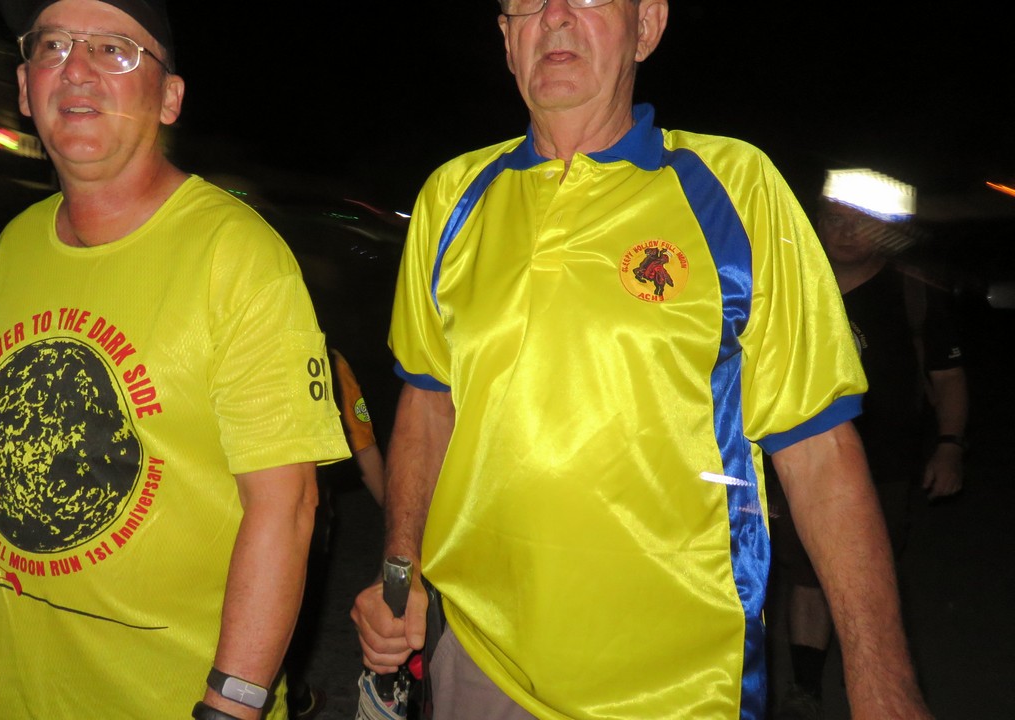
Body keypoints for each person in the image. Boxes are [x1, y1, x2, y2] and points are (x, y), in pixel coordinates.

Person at [350, 1, 932, 718]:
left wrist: (882, 685)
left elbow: (819, 451)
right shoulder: (452, 196)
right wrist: (400, 572)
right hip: (478, 660)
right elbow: (429, 400)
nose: (554, 17)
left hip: (679, 682)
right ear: (506, 38)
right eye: (529, 3)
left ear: (647, 27)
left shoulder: (735, 187)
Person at [0, 2, 350, 719]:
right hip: (3, 693)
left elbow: (287, 508)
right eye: (53, 46)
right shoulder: (14, 246)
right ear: (24, 86)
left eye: (114, 49)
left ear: (169, 98)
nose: (76, 70)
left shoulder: (236, 256)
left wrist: (232, 703)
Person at [771, 169, 967, 719]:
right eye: (835, 220)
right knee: (806, 573)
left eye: (860, 222)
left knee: (866, 575)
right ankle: (805, 688)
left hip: (886, 463)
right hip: (801, 460)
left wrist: (950, 445)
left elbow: (949, 378)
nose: (846, 232)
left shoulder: (913, 295)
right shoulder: (790, 285)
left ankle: (877, 684)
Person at [285, 347, 386, 719]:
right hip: (296, 522)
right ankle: (291, 690)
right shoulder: (326, 360)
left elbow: (361, 444)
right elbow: (364, 448)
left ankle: (291, 689)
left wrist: (403, 519)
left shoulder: (327, 362)